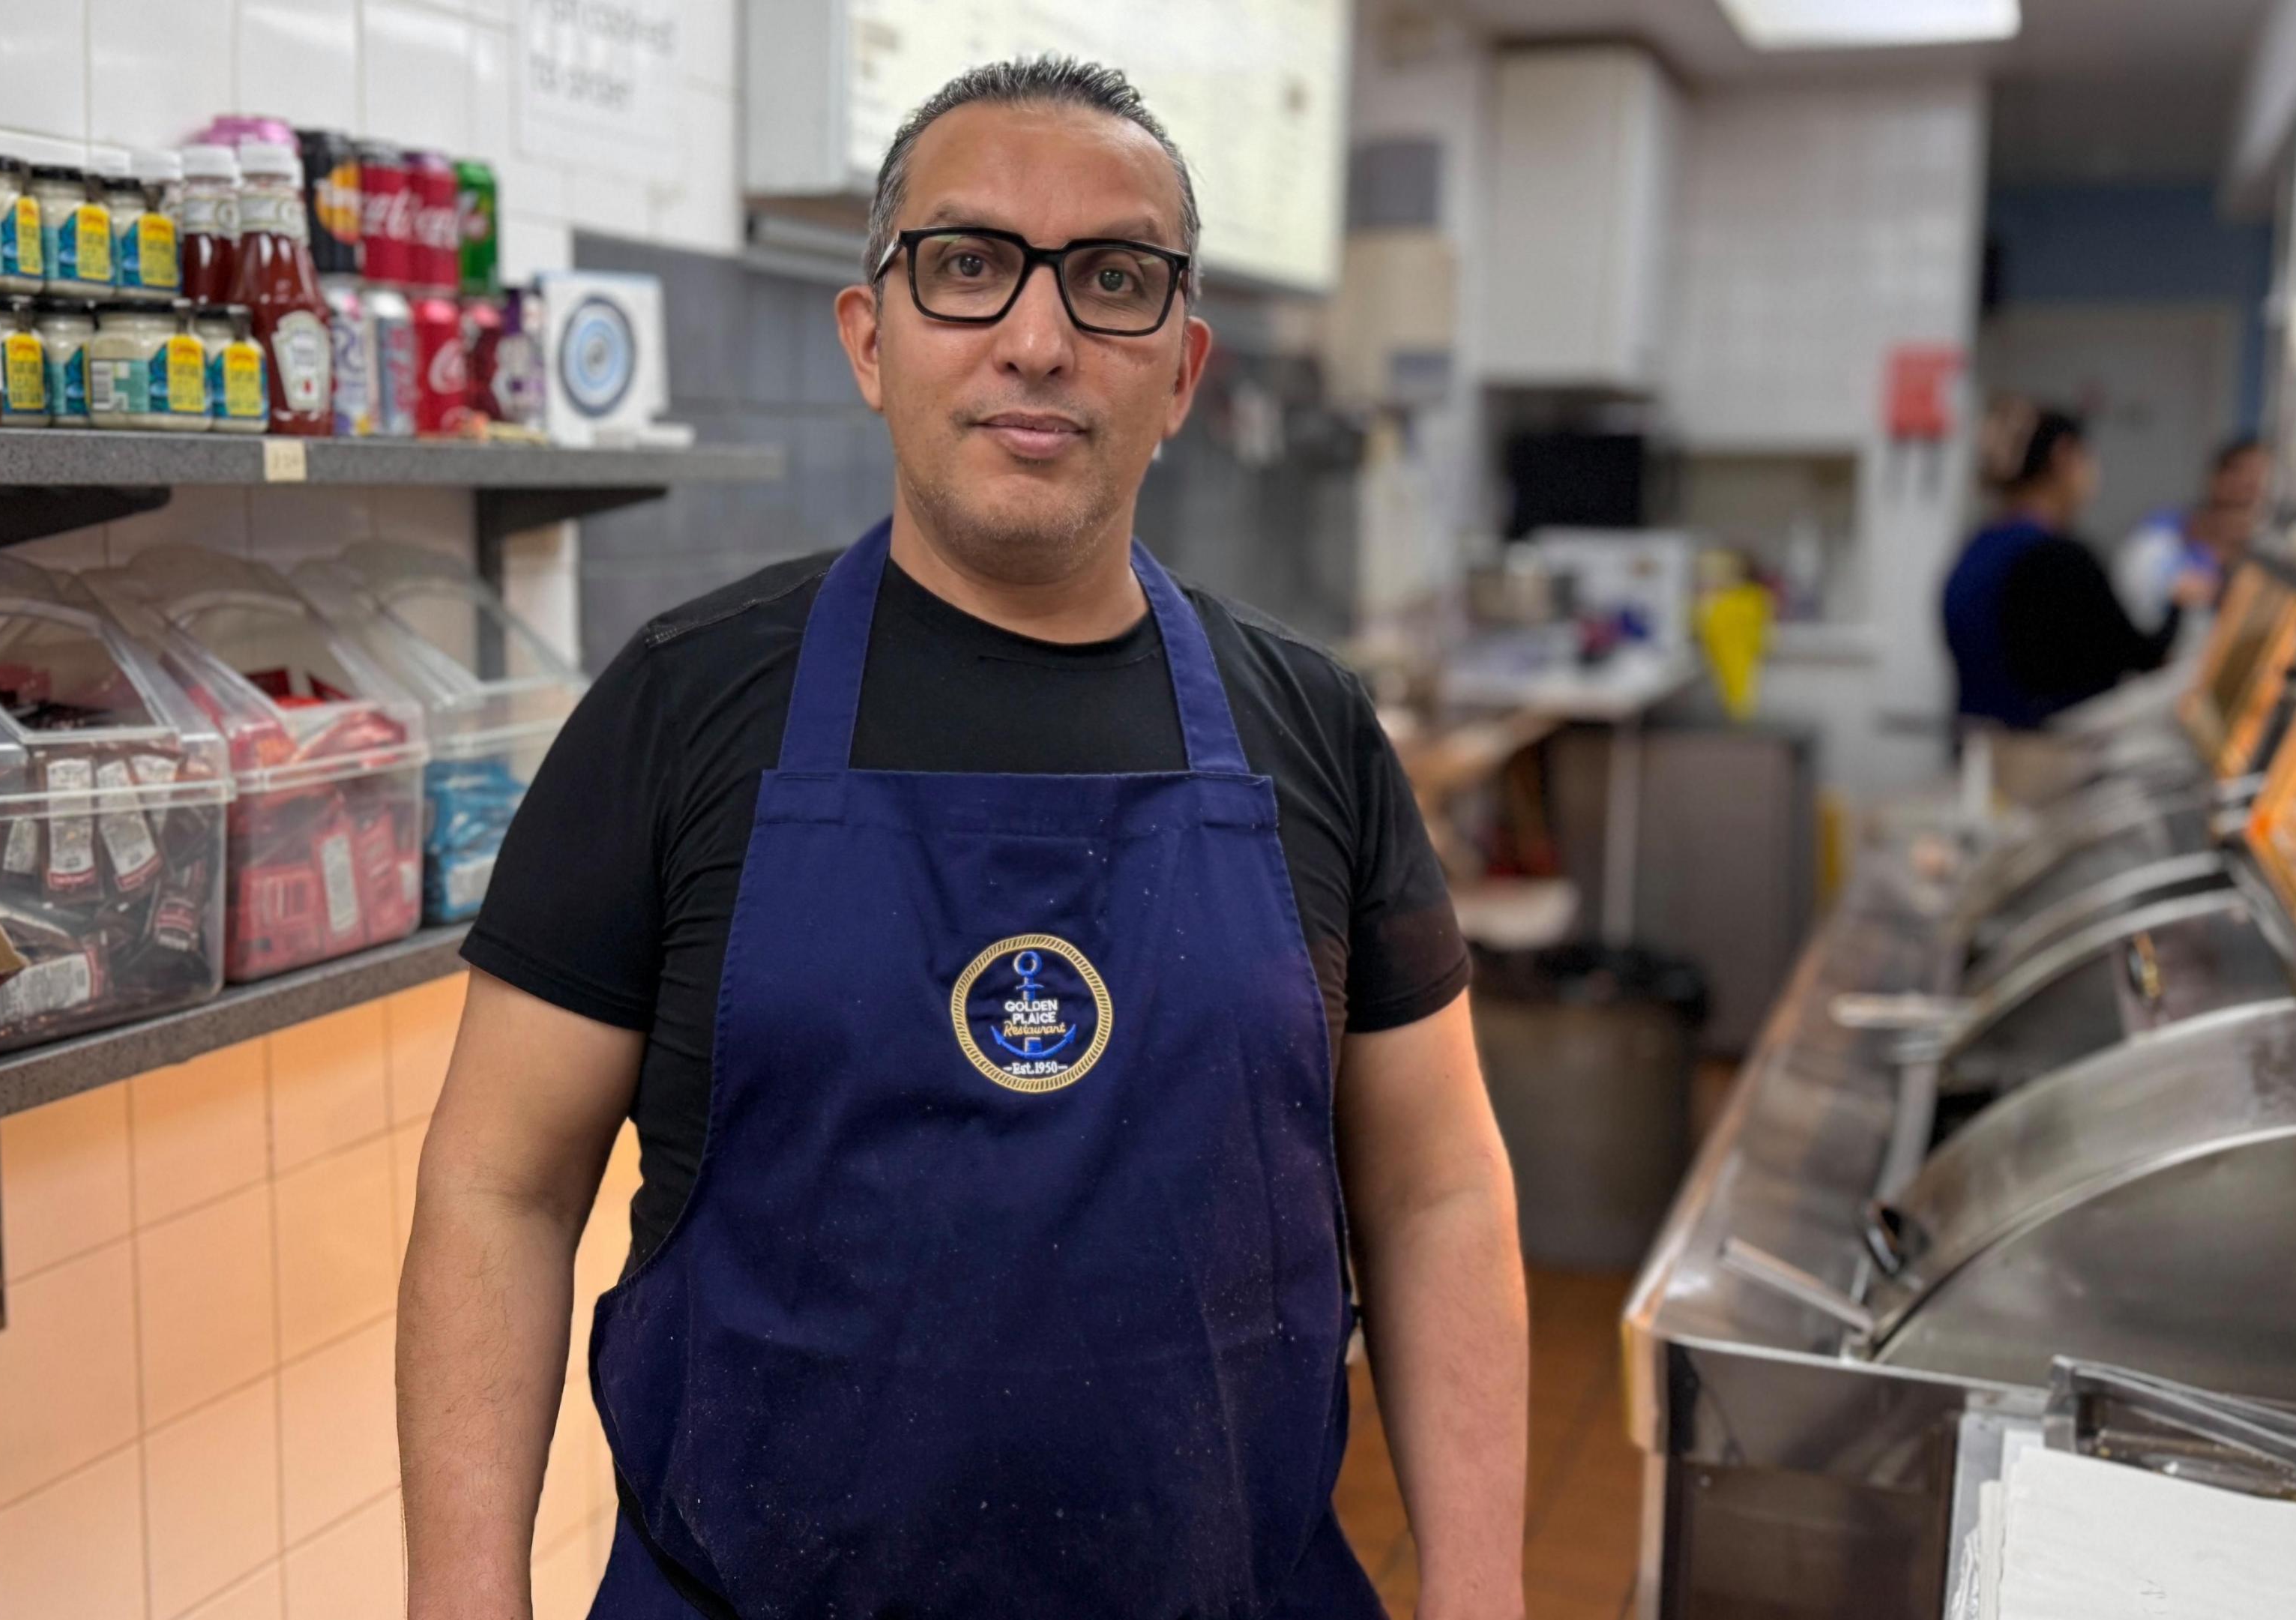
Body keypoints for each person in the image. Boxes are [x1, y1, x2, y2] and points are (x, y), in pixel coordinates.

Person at [397, 57, 1527, 1620]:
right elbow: (497, 1187)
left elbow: (1438, 1192)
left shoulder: (1310, 730)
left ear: (1183, 369)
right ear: (872, 336)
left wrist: (1483, 1598)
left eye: (1113, 279)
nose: (1040, 337)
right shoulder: (683, 703)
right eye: (970, 264)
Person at [1942, 409, 2190, 729]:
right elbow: (2140, 655)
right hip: (2041, 759)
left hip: (1982, 749)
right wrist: (2179, 600)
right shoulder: (2055, 558)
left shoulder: (1980, 546)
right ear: (2064, 455)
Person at [2113, 436, 2272, 636]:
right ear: (2215, 480)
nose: (2250, 488)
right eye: (2240, 475)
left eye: (2261, 480)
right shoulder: (2157, 539)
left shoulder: (2267, 563)